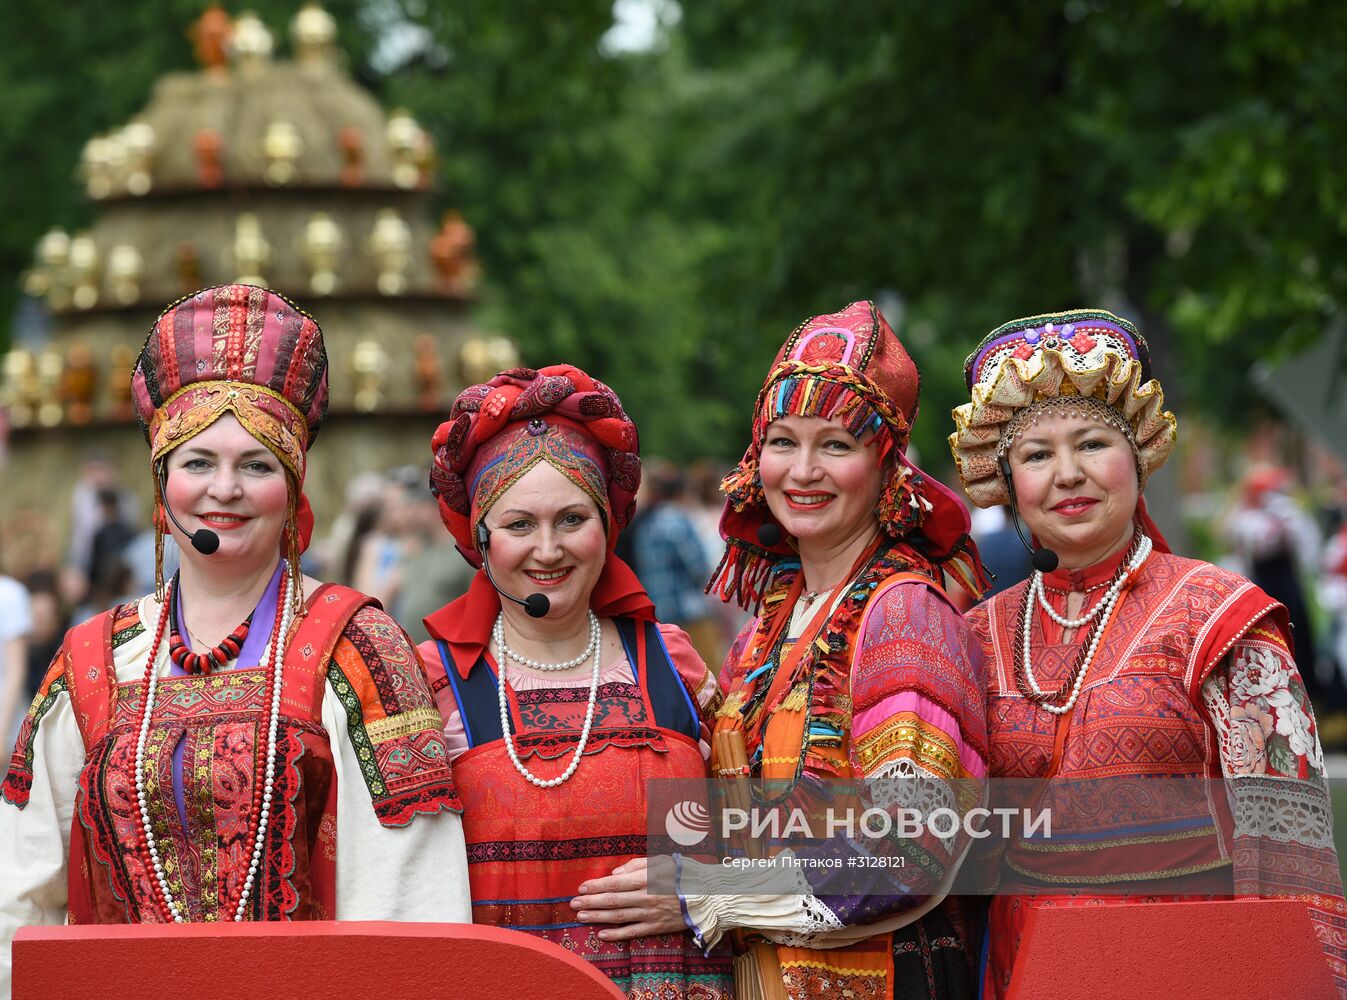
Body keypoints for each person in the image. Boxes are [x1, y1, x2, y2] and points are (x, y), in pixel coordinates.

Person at [0, 285, 469, 995]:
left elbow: (411, 904)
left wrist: (702, 879)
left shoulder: (360, 645)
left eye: (256, 465)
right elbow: (18, 894)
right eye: (197, 464)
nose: (225, 489)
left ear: (292, 486)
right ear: (163, 486)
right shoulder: (93, 660)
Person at [578, 302, 992, 999]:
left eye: (835, 445)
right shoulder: (773, 624)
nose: (802, 471)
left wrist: (704, 893)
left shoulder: (904, 616)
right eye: (782, 441)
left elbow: (910, 851)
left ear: (886, 464)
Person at [948, 308, 1347, 997]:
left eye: (1091, 443)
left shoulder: (1217, 616)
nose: (1067, 474)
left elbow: (1290, 857)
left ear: (1137, 452)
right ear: (1006, 481)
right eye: (1036, 455)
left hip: (1186, 972)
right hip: (1021, 972)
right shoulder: (975, 637)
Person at [419, 364, 734, 998]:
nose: (548, 549)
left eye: (571, 519)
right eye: (518, 525)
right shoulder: (432, 684)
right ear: (481, 541)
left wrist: (713, 892)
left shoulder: (675, 667)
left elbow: (769, 832)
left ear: (608, 526)